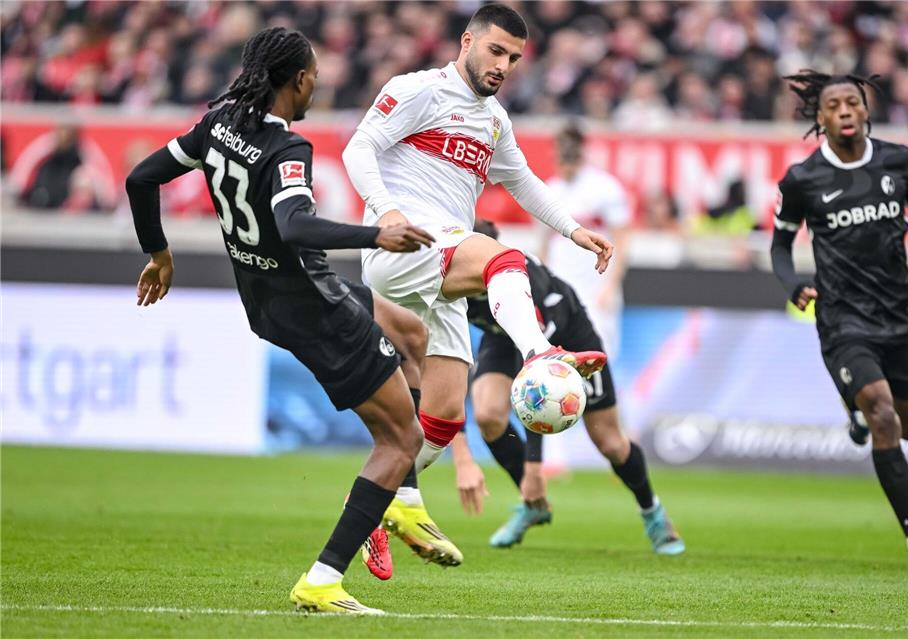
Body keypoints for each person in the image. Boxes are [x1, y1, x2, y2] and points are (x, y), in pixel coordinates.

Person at [125, 26, 451, 615]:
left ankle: (401, 501)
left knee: (412, 333)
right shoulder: (286, 148)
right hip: (315, 308)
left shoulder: (218, 124)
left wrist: (159, 254)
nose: (316, 86)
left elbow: (140, 178)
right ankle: (324, 579)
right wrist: (376, 234)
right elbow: (295, 225)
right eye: (315, 77)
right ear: (299, 80)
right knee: (401, 439)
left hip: (268, 300)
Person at [341, 6, 614, 534]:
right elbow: (359, 148)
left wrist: (574, 230)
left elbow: (523, 180)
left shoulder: (494, 119)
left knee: (441, 421)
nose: (503, 66)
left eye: (513, 58)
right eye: (495, 51)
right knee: (505, 259)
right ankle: (540, 355)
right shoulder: (419, 90)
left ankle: (368, 511)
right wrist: (386, 211)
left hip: (441, 260)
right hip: (404, 244)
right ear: (467, 42)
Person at [771, 70, 908, 570]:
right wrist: (793, 284)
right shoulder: (802, 179)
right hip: (842, 317)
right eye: (834, 105)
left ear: (866, 110)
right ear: (820, 118)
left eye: (853, 101)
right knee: (882, 412)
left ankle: (856, 409)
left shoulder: (900, 161)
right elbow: (780, 246)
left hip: (898, 314)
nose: (845, 110)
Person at [456, 219, 685, 553]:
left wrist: (536, 466)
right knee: (488, 415)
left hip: (568, 338)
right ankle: (533, 504)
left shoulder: (521, 280)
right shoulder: (452, 282)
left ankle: (653, 512)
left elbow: (539, 383)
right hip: (502, 337)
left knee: (610, 442)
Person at [542, 123, 632, 361]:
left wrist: (611, 286)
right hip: (560, 288)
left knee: (599, 357)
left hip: (595, 288)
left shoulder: (605, 188)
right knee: (559, 360)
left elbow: (622, 240)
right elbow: (543, 246)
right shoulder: (549, 190)